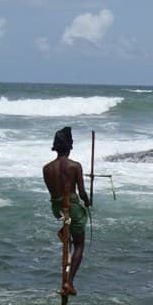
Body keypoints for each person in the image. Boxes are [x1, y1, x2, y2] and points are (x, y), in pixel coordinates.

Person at [42, 126, 90, 296]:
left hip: (57, 208)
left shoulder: (47, 168)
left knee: (68, 225)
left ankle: (64, 230)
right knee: (79, 245)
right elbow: (81, 192)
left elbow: (54, 191)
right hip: (72, 207)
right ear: (69, 147)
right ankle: (69, 282)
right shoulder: (75, 166)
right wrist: (87, 201)